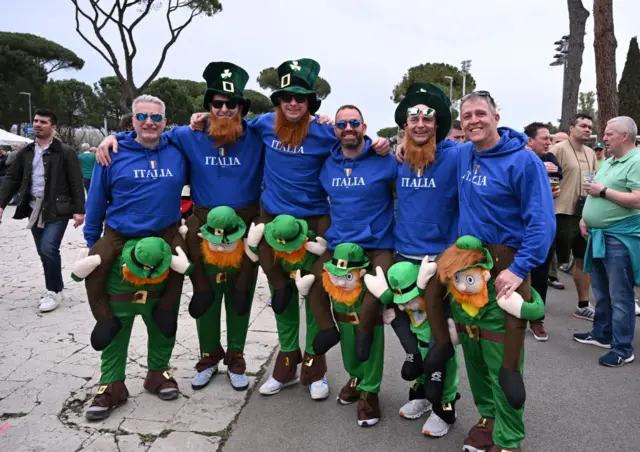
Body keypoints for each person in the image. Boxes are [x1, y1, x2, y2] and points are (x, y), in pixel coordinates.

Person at [190, 58, 390, 400]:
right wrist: (205, 117)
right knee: (281, 297)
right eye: (286, 97)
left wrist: (379, 144)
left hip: (314, 223)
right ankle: (285, 366)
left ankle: (316, 369)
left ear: (310, 101)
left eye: (300, 97)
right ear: (278, 101)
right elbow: (230, 119)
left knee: (314, 293)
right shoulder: (264, 125)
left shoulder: (327, 131)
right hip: (273, 223)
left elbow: (353, 142)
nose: (293, 103)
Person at [95, 62, 265, 391]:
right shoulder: (187, 135)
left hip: (244, 225)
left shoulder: (258, 133)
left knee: (240, 295)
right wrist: (111, 138)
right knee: (206, 294)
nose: (225, 109)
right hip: (202, 225)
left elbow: (293, 124)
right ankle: (208, 356)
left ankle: (236, 356)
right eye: (217, 103)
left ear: (242, 108)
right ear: (208, 108)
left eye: (232, 104)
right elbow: (146, 136)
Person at [423, 91, 555, 452]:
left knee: (503, 357)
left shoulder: (524, 162)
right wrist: (397, 149)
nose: (473, 120)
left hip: (505, 269)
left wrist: (520, 269)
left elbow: (542, 223)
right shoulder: (464, 153)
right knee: (472, 345)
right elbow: (425, 150)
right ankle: (488, 417)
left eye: (481, 113)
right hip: (468, 272)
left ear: (497, 116)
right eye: (466, 116)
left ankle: (509, 438)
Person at [82, 95, 188, 356]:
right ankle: (111, 381)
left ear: (165, 121)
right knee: (99, 281)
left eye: (155, 117)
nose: (148, 122)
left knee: (169, 305)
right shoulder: (112, 153)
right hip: (120, 238)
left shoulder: (178, 151)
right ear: (133, 121)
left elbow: (206, 132)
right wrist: (91, 240)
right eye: (142, 116)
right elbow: (96, 201)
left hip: (165, 237)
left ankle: (159, 374)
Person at [391, 82, 462, 434]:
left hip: (439, 262)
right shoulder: (399, 158)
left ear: (439, 124)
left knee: (440, 338)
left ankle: (445, 405)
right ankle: (421, 392)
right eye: (412, 117)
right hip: (404, 257)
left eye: (428, 118)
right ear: (404, 125)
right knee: (416, 334)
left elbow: (491, 146)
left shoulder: (455, 155)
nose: (420, 123)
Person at [72, 237, 193, 421]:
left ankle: (159, 372)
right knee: (114, 331)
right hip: (119, 262)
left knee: (163, 325)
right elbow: (94, 209)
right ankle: (111, 385)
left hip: (160, 254)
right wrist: (94, 240)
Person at [0, 108, 85, 312]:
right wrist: (1, 204)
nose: (38, 124)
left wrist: (79, 209)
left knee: (48, 248)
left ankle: (52, 292)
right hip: (33, 208)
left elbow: (76, 181)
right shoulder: (26, 152)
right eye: (36, 121)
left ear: (53, 127)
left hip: (57, 209)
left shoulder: (65, 152)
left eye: (43, 122)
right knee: (42, 251)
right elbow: (12, 178)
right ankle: (57, 287)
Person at [574, 116, 640, 367]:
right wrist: (585, 218)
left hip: (620, 237)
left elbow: (638, 199)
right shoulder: (610, 161)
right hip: (600, 235)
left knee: (620, 295)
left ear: (625, 135)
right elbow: (594, 193)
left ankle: (623, 347)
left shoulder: (637, 160)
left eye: (609, 133)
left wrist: (603, 191)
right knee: (601, 291)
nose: (604, 138)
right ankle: (602, 334)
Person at [550, 114, 598, 321]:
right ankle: (533, 308)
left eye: (589, 126)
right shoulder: (558, 150)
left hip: (584, 213)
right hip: (560, 212)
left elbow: (593, 179)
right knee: (547, 261)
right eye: (583, 126)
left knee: (582, 259)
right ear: (571, 128)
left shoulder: (591, 153)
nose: (587, 129)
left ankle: (583, 304)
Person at [523, 122, 563, 341]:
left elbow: (558, 180)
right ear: (529, 141)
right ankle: (509, 317)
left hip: (543, 226)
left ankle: (537, 320)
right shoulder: (519, 158)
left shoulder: (551, 159)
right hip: (519, 228)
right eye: (544, 138)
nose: (549, 142)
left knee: (539, 276)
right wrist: (537, 165)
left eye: (550, 139)